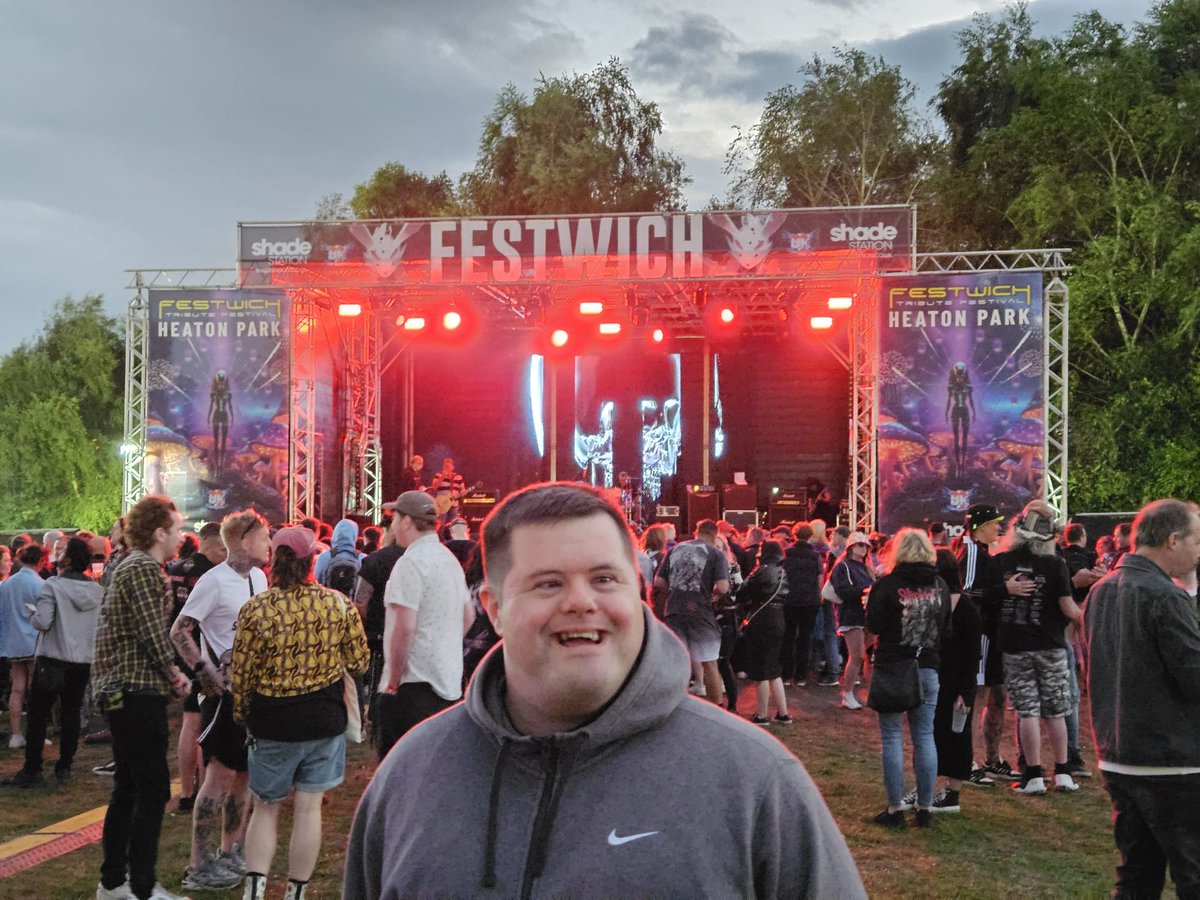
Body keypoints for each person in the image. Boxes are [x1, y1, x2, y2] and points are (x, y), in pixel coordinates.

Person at [344, 482, 866, 898]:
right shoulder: (410, 775)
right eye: (548, 582)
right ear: (495, 608)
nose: (580, 602)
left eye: (604, 579)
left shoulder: (755, 781)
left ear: (637, 592)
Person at [231, 526, 370, 900]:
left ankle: (255, 891)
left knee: (265, 808)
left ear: (275, 559)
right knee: (309, 811)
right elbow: (359, 662)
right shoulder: (337, 604)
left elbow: (241, 674)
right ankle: (296, 893)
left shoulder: (256, 609)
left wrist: (242, 714)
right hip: (323, 720)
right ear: (313, 561)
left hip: (272, 721)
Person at [1083, 499, 1200, 899]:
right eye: (1197, 542)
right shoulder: (1164, 597)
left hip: (1118, 754)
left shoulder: (1101, 590)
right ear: (1173, 540)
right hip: (1171, 762)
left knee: (1137, 877)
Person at [93, 494, 192, 900]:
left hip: (124, 690)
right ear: (158, 532)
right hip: (135, 690)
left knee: (130, 786)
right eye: (177, 528)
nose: (181, 536)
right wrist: (175, 674)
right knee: (151, 789)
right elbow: (151, 631)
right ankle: (141, 886)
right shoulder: (144, 570)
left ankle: (116, 882)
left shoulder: (131, 566)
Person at [170, 510, 271, 891]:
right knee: (219, 777)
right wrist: (204, 672)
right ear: (243, 540)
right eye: (263, 538)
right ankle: (198, 865)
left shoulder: (259, 577)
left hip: (253, 694)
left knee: (244, 775)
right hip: (223, 698)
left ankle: (231, 851)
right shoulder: (212, 582)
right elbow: (180, 629)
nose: (269, 544)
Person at [992, 500, 1083, 795]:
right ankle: (1063, 772)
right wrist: (1092, 619)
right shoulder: (1055, 564)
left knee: (1027, 710)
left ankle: (1032, 776)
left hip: (1015, 645)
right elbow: (1068, 607)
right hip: (1051, 645)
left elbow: (986, 599)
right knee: (1056, 711)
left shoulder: (1001, 562)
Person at [374, 491, 473, 758]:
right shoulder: (448, 559)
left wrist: (393, 681)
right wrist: (443, 644)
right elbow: (468, 617)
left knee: (400, 771)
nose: (392, 523)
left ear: (407, 521)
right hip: (447, 683)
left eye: (395, 516)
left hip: (412, 685)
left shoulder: (410, 563)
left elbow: (404, 628)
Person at [867, 528, 951, 829]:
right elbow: (946, 628)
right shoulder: (940, 585)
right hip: (928, 666)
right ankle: (925, 808)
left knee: (891, 736)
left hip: (892, 665)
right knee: (924, 735)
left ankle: (894, 809)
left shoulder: (887, 585)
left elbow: (874, 624)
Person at [1, 538, 102, 787]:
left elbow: (43, 622)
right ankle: (64, 766)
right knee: (71, 714)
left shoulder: (53, 586)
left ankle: (32, 769)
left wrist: (33, 615)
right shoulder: (97, 591)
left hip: (53, 658)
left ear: (67, 560)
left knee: (37, 715)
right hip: (81, 660)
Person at [954, 503, 1033, 784]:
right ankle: (968, 760)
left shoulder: (980, 551)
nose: (1000, 528)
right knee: (976, 696)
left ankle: (991, 759)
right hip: (981, 634)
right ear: (981, 527)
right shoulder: (973, 550)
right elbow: (967, 592)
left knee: (997, 696)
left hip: (991, 633)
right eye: (995, 523)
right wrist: (1006, 588)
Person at [166, 522, 227, 813]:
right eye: (224, 550)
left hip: (180, 649)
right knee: (202, 723)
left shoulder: (177, 568)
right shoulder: (211, 576)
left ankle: (188, 791)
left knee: (189, 722)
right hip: (202, 652)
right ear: (215, 547)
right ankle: (203, 789)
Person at [654, 518, 731, 705]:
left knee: (676, 662)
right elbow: (722, 587)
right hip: (700, 612)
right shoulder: (715, 554)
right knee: (709, 663)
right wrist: (712, 593)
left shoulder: (675, 549)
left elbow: (659, 582)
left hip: (674, 610)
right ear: (714, 536)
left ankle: (673, 704)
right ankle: (716, 709)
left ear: (697, 532)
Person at [738, 540, 792, 725]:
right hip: (778, 618)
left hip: (761, 619)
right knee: (773, 667)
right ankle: (783, 713)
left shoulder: (762, 570)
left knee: (760, 668)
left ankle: (761, 714)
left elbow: (742, 592)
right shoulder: (783, 571)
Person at [0, 543, 44, 748]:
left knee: (17, 689)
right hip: (34, 642)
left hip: (14, 642)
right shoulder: (39, 584)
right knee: (37, 690)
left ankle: (15, 734)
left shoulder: (7, 584)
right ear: (41, 561)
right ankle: (36, 732)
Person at [829, 532, 875, 710]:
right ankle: (847, 693)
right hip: (852, 614)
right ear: (851, 547)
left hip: (866, 614)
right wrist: (866, 590)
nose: (863, 549)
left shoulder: (865, 567)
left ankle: (869, 693)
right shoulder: (843, 566)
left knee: (867, 656)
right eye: (860, 545)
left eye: (865, 546)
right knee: (856, 656)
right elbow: (843, 591)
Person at [780, 522, 823, 686]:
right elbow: (820, 579)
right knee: (806, 638)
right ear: (810, 536)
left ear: (795, 534)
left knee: (788, 637)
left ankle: (786, 675)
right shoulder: (815, 556)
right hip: (810, 601)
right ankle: (801, 676)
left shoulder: (786, 553)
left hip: (789, 600)